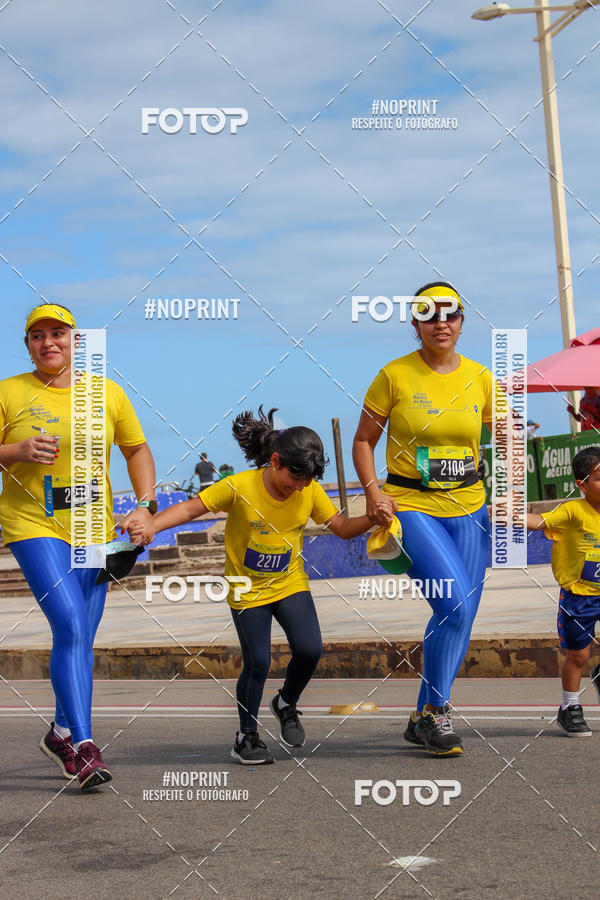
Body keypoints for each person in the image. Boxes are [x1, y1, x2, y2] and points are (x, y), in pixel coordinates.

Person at [129, 406, 388, 764]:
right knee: (258, 662)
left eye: (305, 482)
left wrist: (372, 518)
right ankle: (246, 737)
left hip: (289, 583)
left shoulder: (309, 491)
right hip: (246, 590)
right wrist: (152, 527)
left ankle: (286, 703)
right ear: (275, 461)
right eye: (292, 479)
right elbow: (190, 510)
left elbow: (342, 528)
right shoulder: (239, 487)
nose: (297, 487)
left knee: (310, 649)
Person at [0, 304, 157, 790]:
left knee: (82, 636)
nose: (49, 343)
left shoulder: (106, 393)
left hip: (92, 523)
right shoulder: (9, 392)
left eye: (59, 334)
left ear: (76, 341)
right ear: (27, 345)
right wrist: (17, 451)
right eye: (38, 336)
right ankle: (85, 746)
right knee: (68, 622)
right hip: (32, 519)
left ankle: (61, 732)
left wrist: (146, 504)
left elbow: (136, 450)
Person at [353, 282, 499, 757]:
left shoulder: (480, 377)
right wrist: (374, 495)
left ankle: (422, 718)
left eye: (451, 314)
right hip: (411, 506)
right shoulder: (394, 376)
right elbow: (362, 442)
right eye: (429, 314)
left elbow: (511, 434)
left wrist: (512, 495)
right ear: (415, 324)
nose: (441, 323)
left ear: (462, 321)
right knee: (454, 607)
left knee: (459, 617)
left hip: (471, 508)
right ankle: (438, 714)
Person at [527, 445, 600, 736]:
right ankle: (570, 708)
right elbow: (540, 522)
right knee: (578, 656)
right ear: (582, 485)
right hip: (578, 598)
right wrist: (511, 515)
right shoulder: (573, 511)